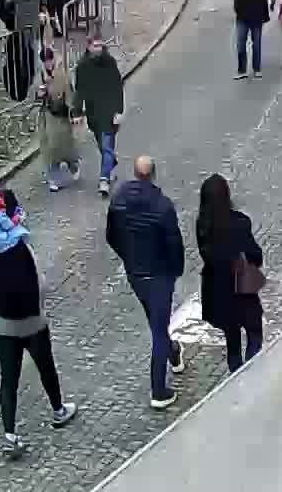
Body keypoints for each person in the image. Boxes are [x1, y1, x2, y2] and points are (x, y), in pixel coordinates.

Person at [0, 166, 78, 456]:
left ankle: (9, 434)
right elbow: (37, 284)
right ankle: (58, 409)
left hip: (1, 324)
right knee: (46, 367)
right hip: (30, 321)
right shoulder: (18, 247)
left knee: (9, 379)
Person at [104, 156, 187, 409]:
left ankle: (173, 352)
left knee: (156, 321)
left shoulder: (118, 200)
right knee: (159, 331)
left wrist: (128, 258)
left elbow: (111, 236)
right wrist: (175, 270)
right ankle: (159, 390)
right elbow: (174, 244)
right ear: (153, 174)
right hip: (159, 275)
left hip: (136, 275)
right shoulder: (163, 206)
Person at [196, 174, 265, 373]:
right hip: (241, 290)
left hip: (218, 293)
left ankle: (237, 376)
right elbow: (256, 256)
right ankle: (251, 374)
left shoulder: (202, 226)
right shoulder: (240, 224)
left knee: (232, 340)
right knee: (254, 334)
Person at [73, 34, 123, 197]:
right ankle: (111, 163)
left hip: (109, 112)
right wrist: (78, 112)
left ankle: (104, 180)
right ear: (88, 47)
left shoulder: (110, 63)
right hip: (94, 113)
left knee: (107, 146)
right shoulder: (82, 66)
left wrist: (118, 111)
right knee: (103, 146)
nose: (99, 49)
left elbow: (117, 87)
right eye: (95, 46)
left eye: (100, 46)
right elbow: (79, 91)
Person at [37, 45, 81, 192]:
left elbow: (69, 94)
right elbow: (34, 96)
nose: (47, 64)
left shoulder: (62, 74)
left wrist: (74, 113)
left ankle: (73, 165)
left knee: (65, 148)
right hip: (46, 116)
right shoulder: (40, 75)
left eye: (49, 60)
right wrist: (39, 94)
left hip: (60, 116)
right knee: (50, 150)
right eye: (45, 61)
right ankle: (53, 179)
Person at [225, 0, 274, 79]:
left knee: (256, 44)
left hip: (256, 17)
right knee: (240, 44)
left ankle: (257, 69)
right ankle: (242, 70)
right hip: (242, 17)